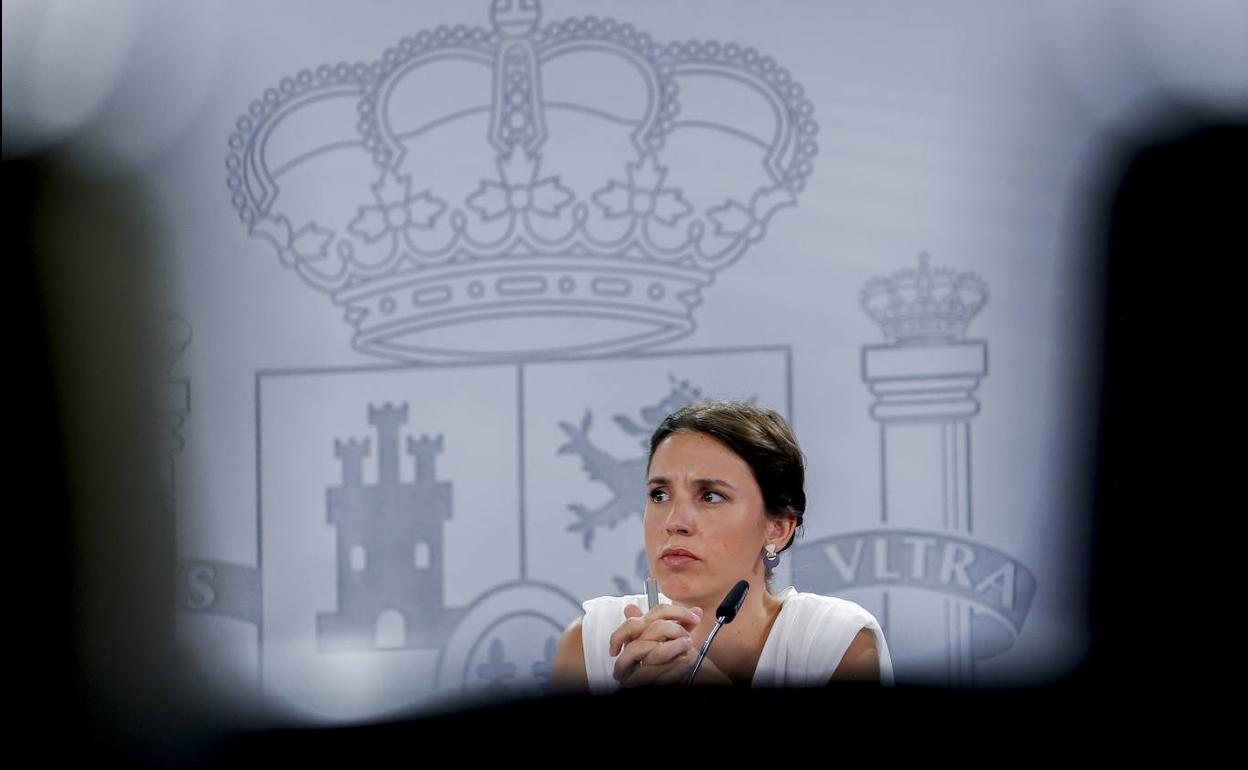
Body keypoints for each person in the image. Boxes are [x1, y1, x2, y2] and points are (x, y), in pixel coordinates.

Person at [551, 400, 894, 691]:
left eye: (710, 496)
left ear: (777, 529)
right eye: (659, 495)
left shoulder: (835, 644)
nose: (674, 521)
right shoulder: (591, 644)